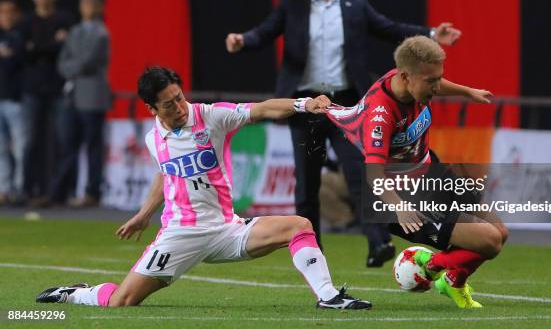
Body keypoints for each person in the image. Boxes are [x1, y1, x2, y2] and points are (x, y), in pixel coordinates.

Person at [36, 66, 371, 310]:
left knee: (299, 226)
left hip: (226, 230)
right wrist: (143, 215)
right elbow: (166, 176)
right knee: (123, 301)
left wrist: (302, 104)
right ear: (152, 109)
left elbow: (263, 108)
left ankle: (328, 297)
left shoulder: (211, 117)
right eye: (168, 104)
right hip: (180, 235)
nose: (179, 108)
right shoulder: (155, 139)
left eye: (179, 98)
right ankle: (75, 293)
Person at [226, 0, 462, 267]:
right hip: (308, 105)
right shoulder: (291, 5)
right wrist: (243, 40)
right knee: (307, 184)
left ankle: (379, 243)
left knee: (360, 173)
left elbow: (390, 29)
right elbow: (265, 33)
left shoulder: (356, 6)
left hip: (350, 105)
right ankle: (312, 251)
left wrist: (433, 33)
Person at [325, 36, 509, 308]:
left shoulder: (410, 81)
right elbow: (374, 175)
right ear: (406, 77)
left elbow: (435, 82)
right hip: (399, 194)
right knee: (490, 242)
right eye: (431, 81)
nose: (436, 87)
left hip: (429, 170)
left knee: (501, 231)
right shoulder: (381, 114)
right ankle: (426, 264)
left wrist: (467, 91)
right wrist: (398, 207)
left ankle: (452, 281)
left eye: (439, 79)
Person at [48, 0, 111, 207]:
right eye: (85, 3)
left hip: (92, 96)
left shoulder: (101, 32)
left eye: (92, 3)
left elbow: (86, 61)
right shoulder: (75, 30)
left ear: (101, 7)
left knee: (93, 147)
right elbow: (62, 61)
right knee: (68, 145)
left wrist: (70, 67)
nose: (88, 7)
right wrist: (70, 67)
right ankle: (61, 191)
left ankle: (92, 192)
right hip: (73, 95)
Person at [19, 0, 75, 205]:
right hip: (32, 89)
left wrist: (37, 47)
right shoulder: (26, 22)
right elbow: (22, 53)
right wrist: (53, 44)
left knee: (62, 141)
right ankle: (29, 190)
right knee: (30, 141)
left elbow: (68, 50)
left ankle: (57, 192)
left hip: (58, 88)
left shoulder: (65, 19)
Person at [0, 0, 26, 205]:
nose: (7, 15)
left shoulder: (22, 35)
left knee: (20, 148)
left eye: (10, 11)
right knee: (0, 148)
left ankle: (20, 189)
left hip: (17, 100)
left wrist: (8, 56)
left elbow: (21, 61)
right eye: (3, 11)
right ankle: (4, 189)